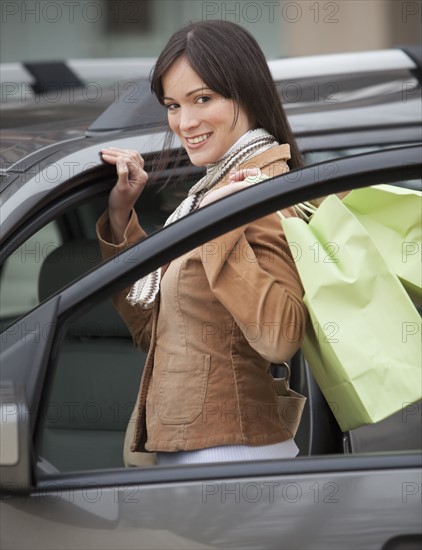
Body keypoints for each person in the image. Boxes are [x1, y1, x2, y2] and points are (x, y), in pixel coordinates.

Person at [96, 20, 308, 466]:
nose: (184, 122)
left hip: (233, 454)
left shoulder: (260, 190)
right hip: (195, 452)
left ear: (245, 93)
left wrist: (216, 223)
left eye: (203, 99)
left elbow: (280, 336)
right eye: (173, 105)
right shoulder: (211, 194)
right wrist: (121, 217)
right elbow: (151, 328)